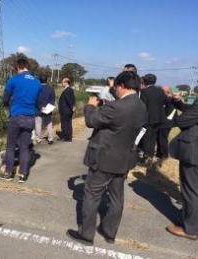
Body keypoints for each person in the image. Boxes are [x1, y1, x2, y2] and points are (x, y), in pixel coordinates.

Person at [66, 71, 147, 246]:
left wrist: (91, 106)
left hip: (104, 158)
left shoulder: (116, 107)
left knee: (92, 194)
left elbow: (91, 121)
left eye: (116, 87)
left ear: (122, 86)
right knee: (117, 197)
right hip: (123, 159)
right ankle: (109, 231)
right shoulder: (141, 106)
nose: (115, 90)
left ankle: (86, 234)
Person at [0, 58, 42, 183]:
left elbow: (5, 99)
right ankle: (23, 175)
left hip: (16, 116)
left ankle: (8, 173)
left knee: (11, 146)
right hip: (29, 118)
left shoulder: (13, 80)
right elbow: (38, 103)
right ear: (27, 67)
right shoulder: (37, 82)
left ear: (18, 67)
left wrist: (9, 107)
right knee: (24, 147)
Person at [166, 92, 198, 240]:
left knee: (190, 190)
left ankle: (190, 229)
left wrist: (178, 116)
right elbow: (193, 111)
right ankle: (191, 220)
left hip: (194, 154)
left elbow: (183, 120)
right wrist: (180, 103)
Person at [138, 74, 171, 164]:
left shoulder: (144, 91)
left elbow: (142, 105)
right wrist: (164, 112)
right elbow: (169, 102)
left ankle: (147, 157)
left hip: (148, 118)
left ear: (145, 81)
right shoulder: (160, 91)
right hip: (160, 118)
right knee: (153, 138)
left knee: (147, 138)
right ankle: (150, 155)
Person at [155, 86, 177, 161]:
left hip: (167, 122)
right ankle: (159, 153)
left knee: (162, 139)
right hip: (164, 122)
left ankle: (164, 155)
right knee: (159, 138)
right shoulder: (168, 98)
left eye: (162, 91)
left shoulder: (170, 99)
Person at [34, 75, 56, 145]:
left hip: (38, 109)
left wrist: (41, 107)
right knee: (49, 124)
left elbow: (35, 100)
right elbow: (52, 100)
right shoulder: (51, 89)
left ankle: (39, 139)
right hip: (48, 110)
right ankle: (50, 139)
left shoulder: (37, 89)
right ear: (47, 80)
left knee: (38, 124)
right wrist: (47, 107)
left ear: (39, 80)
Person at [57, 77, 76, 142]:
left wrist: (71, 106)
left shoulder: (67, 90)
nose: (62, 83)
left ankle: (65, 137)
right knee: (69, 124)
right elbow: (73, 99)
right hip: (69, 110)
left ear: (66, 82)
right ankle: (69, 137)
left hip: (65, 110)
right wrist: (73, 106)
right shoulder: (71, 90)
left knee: (64, 124)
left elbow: (68, 100)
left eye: (62, 82)